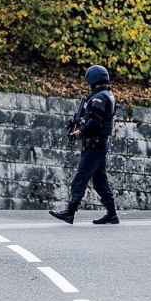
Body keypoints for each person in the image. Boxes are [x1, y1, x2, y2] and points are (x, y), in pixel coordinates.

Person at [50, 65, 118, 225]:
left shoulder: (99, 98)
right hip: (99, 143)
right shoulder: (106, 95)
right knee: (100, 180)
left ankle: (70, 212)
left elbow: (95, 122)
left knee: (80, 177)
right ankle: (112, 214)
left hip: (94, 144)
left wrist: (81, 131)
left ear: (92, 79)